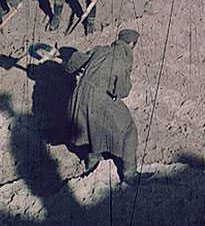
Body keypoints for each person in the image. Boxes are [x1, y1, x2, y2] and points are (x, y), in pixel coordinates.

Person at [64, 29, 149, 184]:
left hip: (80, 94)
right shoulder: (123, 59)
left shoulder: (100, 49)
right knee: (128, 129)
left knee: (88, 126)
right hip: (99, 98)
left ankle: (92, 161)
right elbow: (122, 91)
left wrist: (69, 65)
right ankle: (130, 174)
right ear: (131, 44)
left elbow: (73, 63)